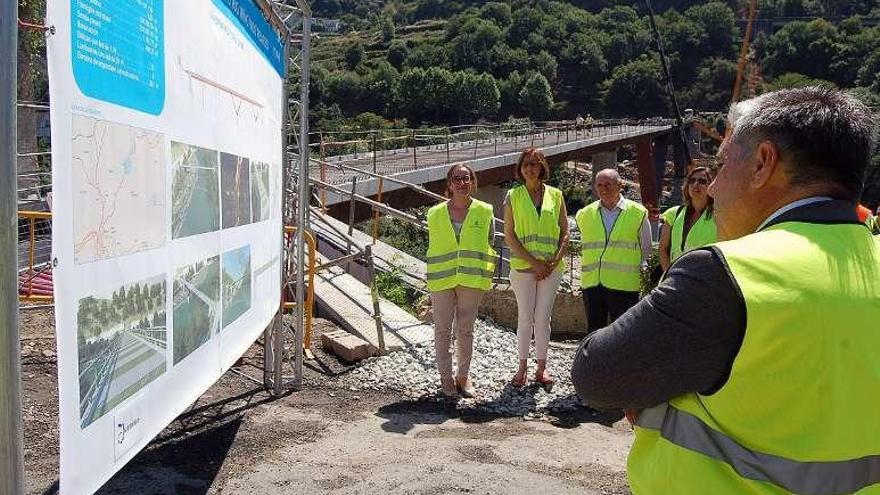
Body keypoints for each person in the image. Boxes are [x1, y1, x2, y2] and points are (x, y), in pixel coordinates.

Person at [571, 87, 880, 494]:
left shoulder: (725, 273)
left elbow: (596, 375)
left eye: (720, 165)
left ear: (762, 164)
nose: (712, 187)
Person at [426, 164, 496, 398]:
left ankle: (463, 376)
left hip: (470, 278)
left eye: (466, 178)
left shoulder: (485, 211)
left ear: (472, 182)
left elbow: (490, 242)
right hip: (442, 279)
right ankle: (446, 378)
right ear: (449, 184)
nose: (462, 183)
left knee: (466, 330)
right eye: (457, 178)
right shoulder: (434, 213)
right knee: (442, 330)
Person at [503, 148, 569, 390]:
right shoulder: (513, 196)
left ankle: (542, 368)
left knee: (543, 319)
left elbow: (565, 232)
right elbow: (509, 236)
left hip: (551, 269)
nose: (530, 168)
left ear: (542, 167)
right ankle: (522, 367)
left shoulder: (556, 195)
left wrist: (551, 263)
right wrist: (535, 263)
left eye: (534, 164)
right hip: (524, 268)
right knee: (525, 318)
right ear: (521, 169)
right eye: (525, 164)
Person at [575, 169, 652, 334]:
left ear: (620, 186)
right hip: (593, 284)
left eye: (608, 184)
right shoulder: (584, 214)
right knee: (594, 334)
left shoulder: (638, 213)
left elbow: (646, 249)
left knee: (624, 335)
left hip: (624, 285)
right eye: (599, 185)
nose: (603, 189)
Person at [658, 167, 717, 272]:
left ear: (712, 186)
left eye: (702, 181)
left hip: (704, 281)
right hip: (674, 279)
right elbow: (663, 249)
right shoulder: (673, 214)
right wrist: (668, 275)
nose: (696, 184)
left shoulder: (719, 216)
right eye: (692, 180)